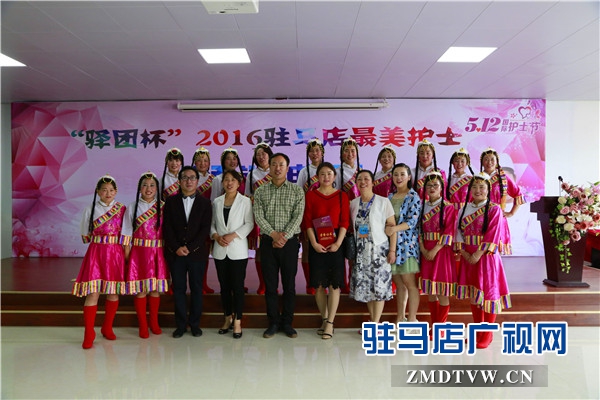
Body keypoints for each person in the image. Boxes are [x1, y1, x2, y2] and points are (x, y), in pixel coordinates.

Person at [455, 172, 511, 349]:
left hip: (486, 257)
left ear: (488, 189)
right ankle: (477, 332)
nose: (478, 190)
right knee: (474, 295)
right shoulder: (464, 209)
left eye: (482, 187)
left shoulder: (494, 209)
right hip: (468, 256)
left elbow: (493, 234)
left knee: (488, 295)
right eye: (474, 187)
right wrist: (464, 253)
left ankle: (487, 334)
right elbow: (458, 232)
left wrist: (477, 254)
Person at [253, 153, 305, 339]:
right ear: (269, 167)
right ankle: (273, 322)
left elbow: (298, 216)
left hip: (290, 243)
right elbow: (258, 216)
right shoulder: (260, 191)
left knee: (289, 285)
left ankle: (288, 323)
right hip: (268, 242)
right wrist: (274, 234)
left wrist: (284, 236)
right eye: (274, 164)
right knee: (270, 285)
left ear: (287, 168)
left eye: (281, 164)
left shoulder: (297, 191)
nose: (277, 168)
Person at [72, 175, 127, 349]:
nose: (108, 193)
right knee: (93, 293)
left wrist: (126, 257)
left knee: (113, 292)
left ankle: (107, 327)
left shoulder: (122, 209)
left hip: (115, 254)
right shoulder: (90, 209)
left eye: (111, 190)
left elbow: (126, 234)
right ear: (98, 192)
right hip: (96, 253)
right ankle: (89, 332)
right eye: (104, 190)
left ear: (116, 192)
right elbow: (86, 234)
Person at [162, 166, 212, 338]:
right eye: (185, 178)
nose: (188, 181)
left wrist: (190, 248)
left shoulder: (205, 203)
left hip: (197, 254)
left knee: (197, 289)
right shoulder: (170, 202)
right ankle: (181, 325)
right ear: (179, 181)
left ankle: (195, 324)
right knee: (179, 289)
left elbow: (205, 229)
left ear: (197, 181)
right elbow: (167, 228)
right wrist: (177, 247)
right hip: (175, 254)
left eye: (192, 178)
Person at [302, 162, 349, 339]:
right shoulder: (311, 195)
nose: (326, 177)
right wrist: (313, 243)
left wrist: (338, 243)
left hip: (336, 242)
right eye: (322, 174)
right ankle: (324, 318)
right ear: (317, 177)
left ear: (334, 176)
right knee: (319, 284)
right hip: (317, 242)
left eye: (329, 173)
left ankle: (330, 322)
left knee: (334, 284)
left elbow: (345, 222)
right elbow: (307, 221)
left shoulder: (342, 196)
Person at [123, 172, 169, 338]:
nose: (148, 189)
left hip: (158, 253)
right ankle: (143, 325)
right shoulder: (132, 207)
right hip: (139, 254)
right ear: (139, 188)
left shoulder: (163, 207)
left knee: (155, 290)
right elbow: (127, 233)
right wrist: (127, 256)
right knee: (141, 290)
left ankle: (154, 323)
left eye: (152, 185)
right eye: (144, 185)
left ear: (157, 188)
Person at [211, 170, 254, 339]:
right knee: (224, 287)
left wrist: (233, 235)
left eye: (233, 180)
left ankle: (238, 321)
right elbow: (212, 224)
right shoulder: (217, 201)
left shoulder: (245, 201)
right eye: (226, 180)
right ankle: (227, 318)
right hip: (220, 249)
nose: (229, 183)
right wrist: (216, 236)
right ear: (222, 183)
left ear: (238, 183)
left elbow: (249, 223)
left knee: (237, 286)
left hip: (237, 250)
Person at [349, 170, 396, 326]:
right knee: (366, 289)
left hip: (379, 251)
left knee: (379, 287)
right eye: (359, 179)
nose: (363, 182)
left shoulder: (383, 201)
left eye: (366, 179)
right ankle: (373, 321)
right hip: (361, 252)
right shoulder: (353, 203)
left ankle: (375, 324)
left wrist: (392, 251)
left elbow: (392, 227)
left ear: (373, 182)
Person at [418, 172, 456, 335]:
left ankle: (440, 327)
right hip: (425, 249)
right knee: (430, 290)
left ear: (442, 188)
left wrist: (434, 250)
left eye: (435, 185)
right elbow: (418, 230)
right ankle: (434, 324)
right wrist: (423, 248)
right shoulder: (422, 206)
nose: (432, 188)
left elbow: (449, 231)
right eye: (429, 185)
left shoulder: (448, 207)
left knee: (441, 290)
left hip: (441, 251)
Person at [387, 163, 421, 324]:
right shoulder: (389, 197)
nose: (398, 177)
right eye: (396, 174)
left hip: (407, 246)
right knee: (399, 283)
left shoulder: (413, 196)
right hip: (391, 245)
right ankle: (400, 317)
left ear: (409, 177)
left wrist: (393, 229)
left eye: (402, 174)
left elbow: (412, 221)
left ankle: (412, 318)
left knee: (410, 283)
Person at [479, 148, 525, 255]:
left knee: (495, 251)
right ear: (482, 162)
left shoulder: (503, 178)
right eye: (486, 159)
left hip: (497, 216)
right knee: (480, 249)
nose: (489, 162)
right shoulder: (478, 179)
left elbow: (518, 194)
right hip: (480, 216)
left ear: (497, 162)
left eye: (492, 159)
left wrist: (511, 212)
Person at [296, 138, 325, 295]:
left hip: (325, 216)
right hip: (308, 214)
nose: (314, 154)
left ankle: (322, 281)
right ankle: (310, 283)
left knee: (325, 247)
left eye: (317, 150)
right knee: (307, 249)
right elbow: (299, 194)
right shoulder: (304, 172)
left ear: (322, 152)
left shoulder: (328, 169)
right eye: (311, 151)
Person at [245, 143, 273, 295]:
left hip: (275, 216)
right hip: (258, 217)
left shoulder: (276, 170)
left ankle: (273, 284)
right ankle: (263, 284)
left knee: (274, 251)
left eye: (264, 154)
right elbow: (248, 196)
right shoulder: (252, 174)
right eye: (258, 154)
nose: (261, 157)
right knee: (261, 251)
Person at [337, 137, 360, 293]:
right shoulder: (338, 172)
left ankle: (355, 282)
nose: (350, 154)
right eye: (346, 151)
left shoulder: (360, 171)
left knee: (357, 251)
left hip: (360, 216)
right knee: (344, 251)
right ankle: (344, 284)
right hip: (344, 215)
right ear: (341, 154)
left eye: (353, 151)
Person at [192, 147, 216, 294]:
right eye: (199, 160)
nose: (202, 163)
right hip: (192, 219)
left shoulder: (213, 179)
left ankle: (203, 283)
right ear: (195, 162)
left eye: (205, 161)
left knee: (204, 253)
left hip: (207, 218)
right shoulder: (190, 178)